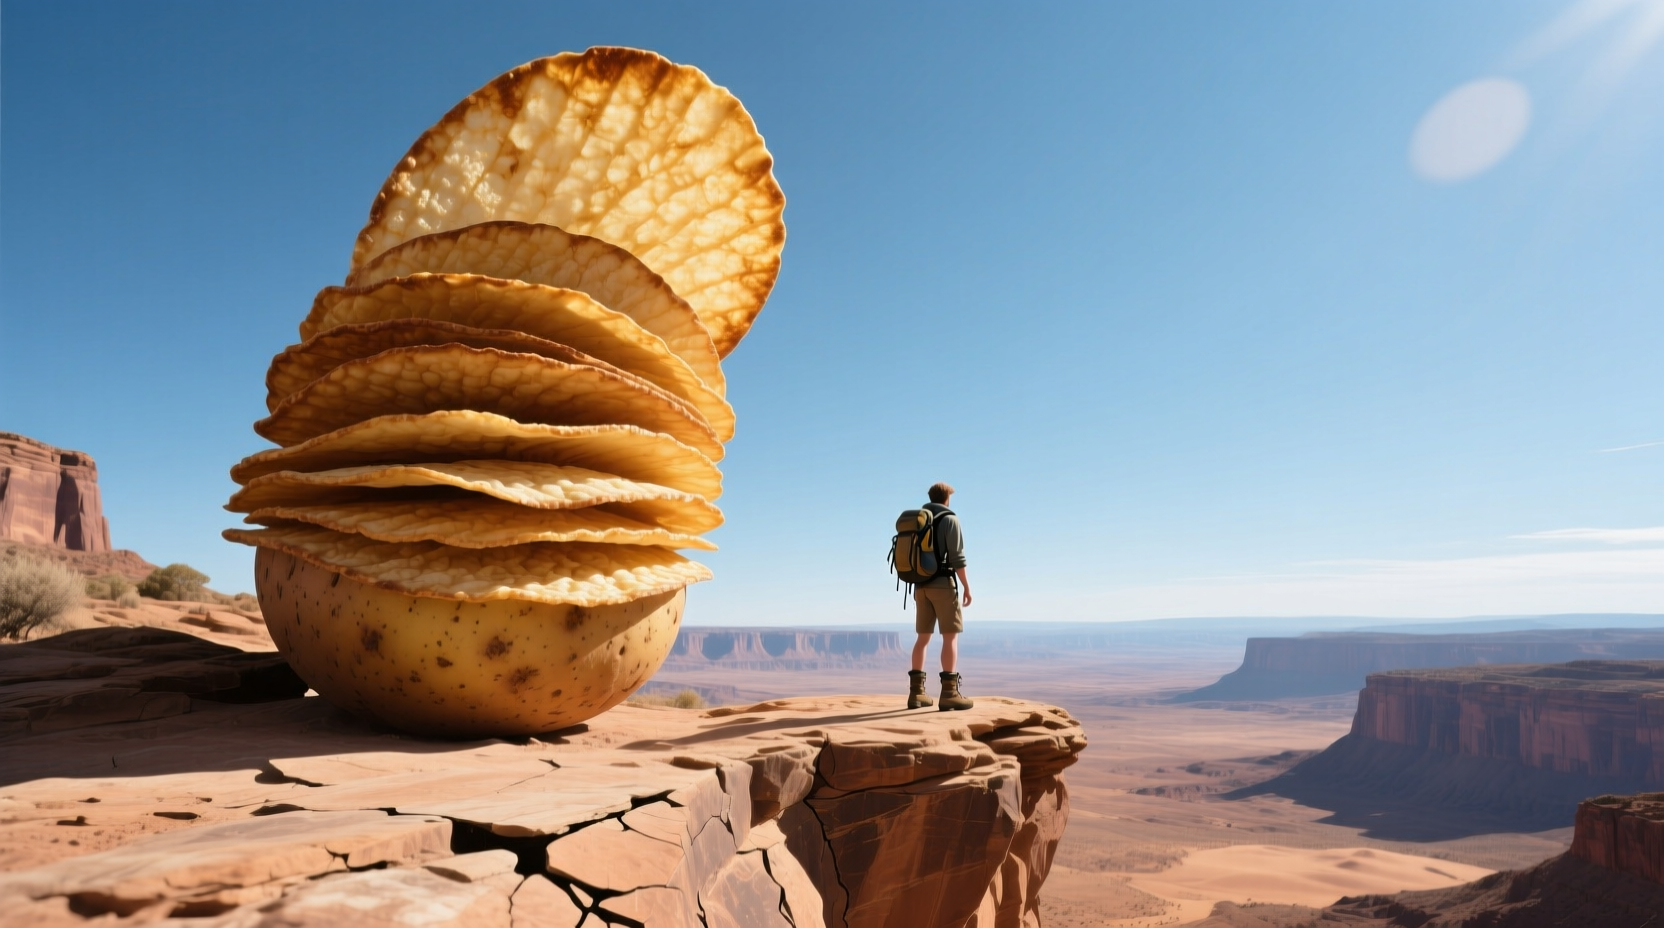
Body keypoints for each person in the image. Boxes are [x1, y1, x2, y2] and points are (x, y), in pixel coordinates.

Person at [908, 481, 974, 711]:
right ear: (947, 498)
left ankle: (916, 694)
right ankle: (949, 694)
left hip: (919, 586)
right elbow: (957, 559)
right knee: (950, 637)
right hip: (943, 585)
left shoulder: (917, 521)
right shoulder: (950, 520)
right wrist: (966, 586)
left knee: (922, 638)